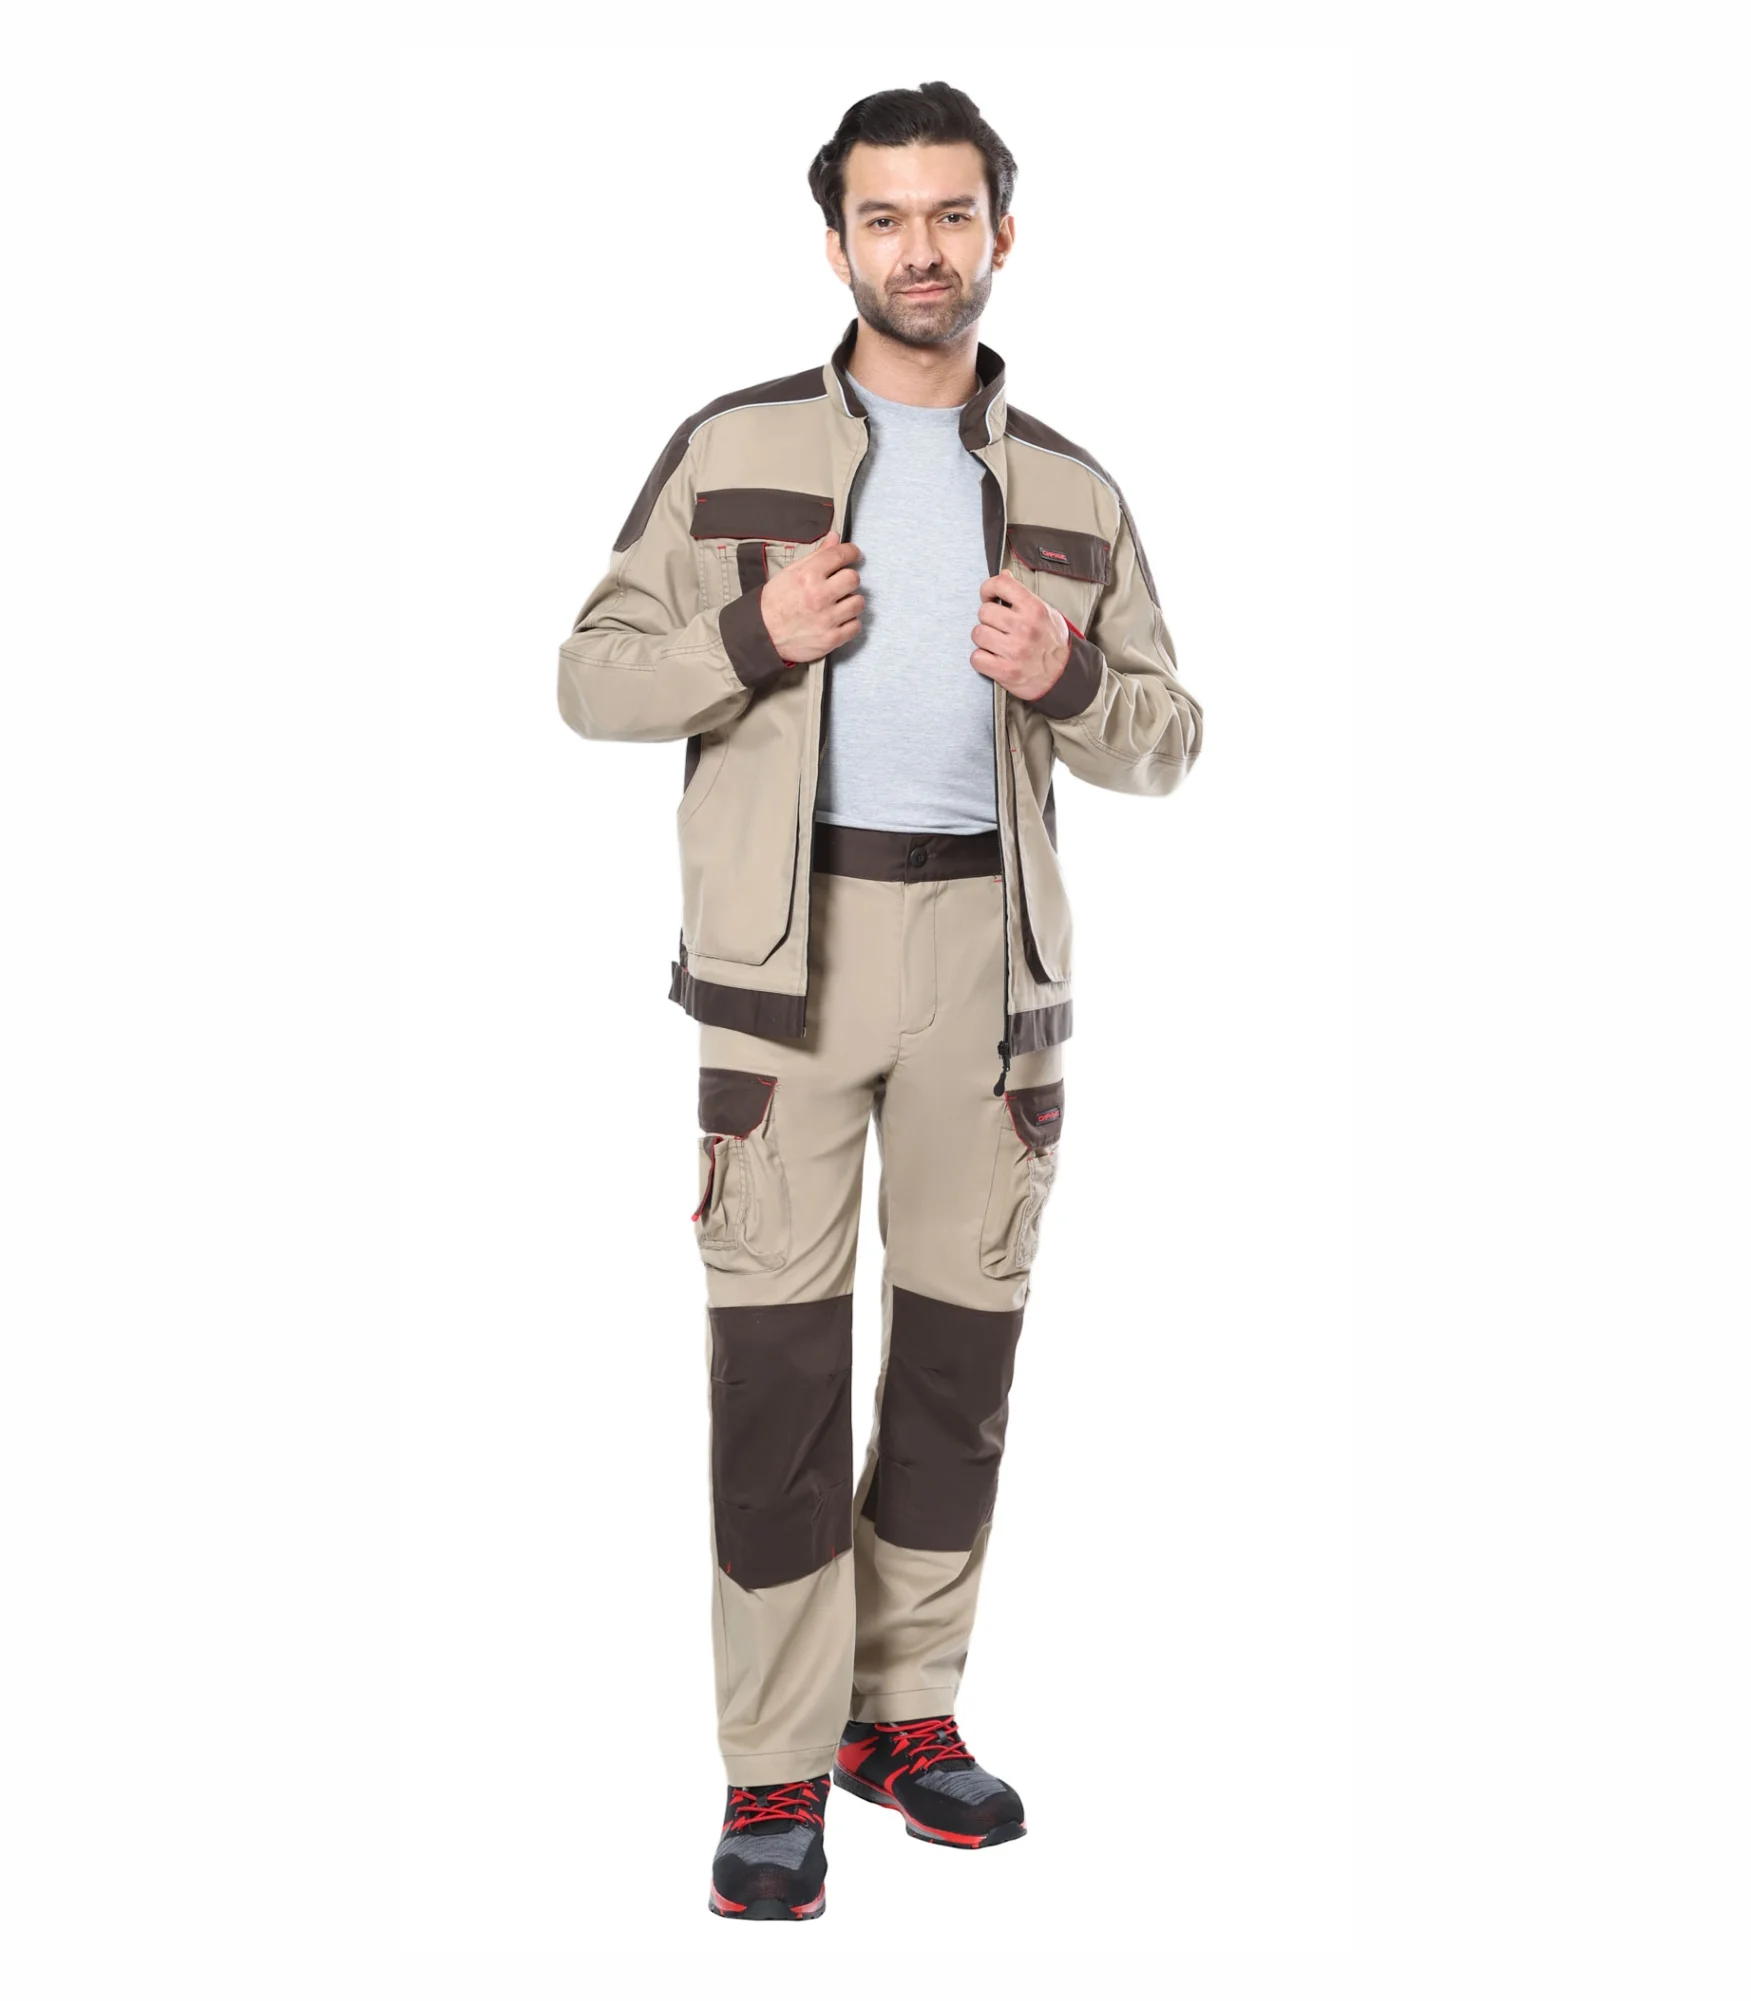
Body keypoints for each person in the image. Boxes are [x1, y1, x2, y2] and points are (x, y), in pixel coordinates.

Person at [556, 79, 1202, 1922]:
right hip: (782, 974)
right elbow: (590, 679)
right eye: (884, 218)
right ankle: (771, 1762)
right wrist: (749, 639)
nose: (921, 250)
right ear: (834, 239)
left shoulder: (1071, 486)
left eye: (951, 215)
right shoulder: (732, 442)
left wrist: (1068, 677)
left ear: (1003, 230)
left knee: (953, 1363)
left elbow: (1168, 735)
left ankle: (900, 1716)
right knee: (775, 1377)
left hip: (988, 977)